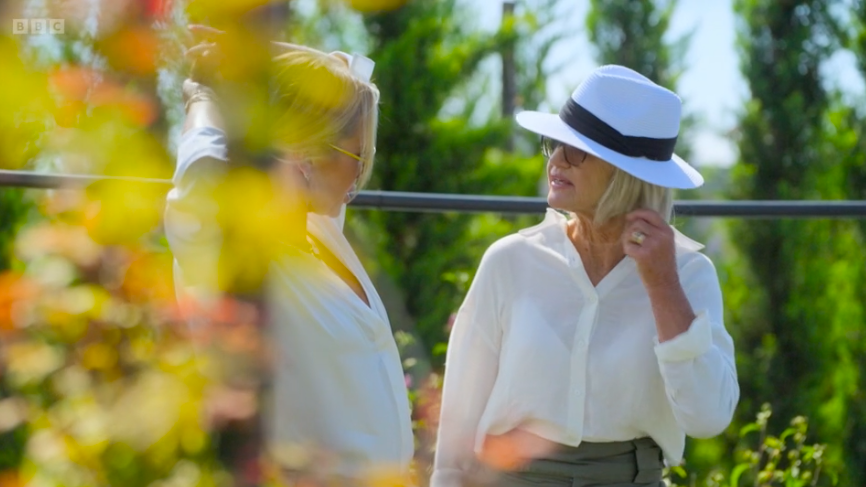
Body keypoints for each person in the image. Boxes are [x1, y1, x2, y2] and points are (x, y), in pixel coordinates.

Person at [432, 65, 739, 487]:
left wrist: (662, 285)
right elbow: (457, 424)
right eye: (555, 144)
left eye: (576, 151)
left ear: (624, 173)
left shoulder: (687, 275)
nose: (556, 160)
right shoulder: (511, 261)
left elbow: (708, 416)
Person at [164, 31, 413, 483]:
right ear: (305, 153)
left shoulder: (320, 235)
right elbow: (199, 181)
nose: (361, 170)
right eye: (355, 154)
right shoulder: (244, 254)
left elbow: (341, 74)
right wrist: (205, 98)